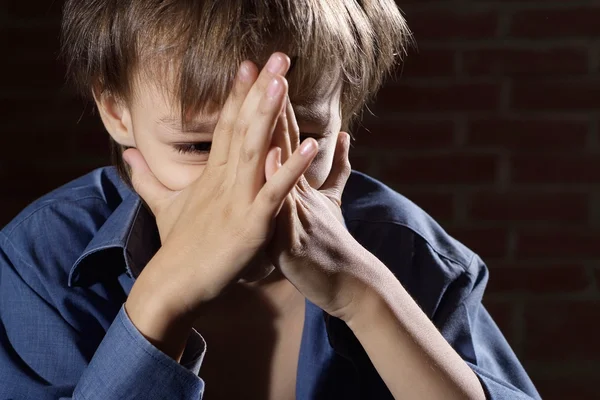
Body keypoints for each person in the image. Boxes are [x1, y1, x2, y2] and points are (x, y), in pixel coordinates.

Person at [0, 1, 541, 399]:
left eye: (298, 137)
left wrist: (366, 293)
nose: (252, 186)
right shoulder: (41, 256)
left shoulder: (413, 254)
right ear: (116, 111)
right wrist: (161, 299)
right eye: (197, 145)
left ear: (344, 113)